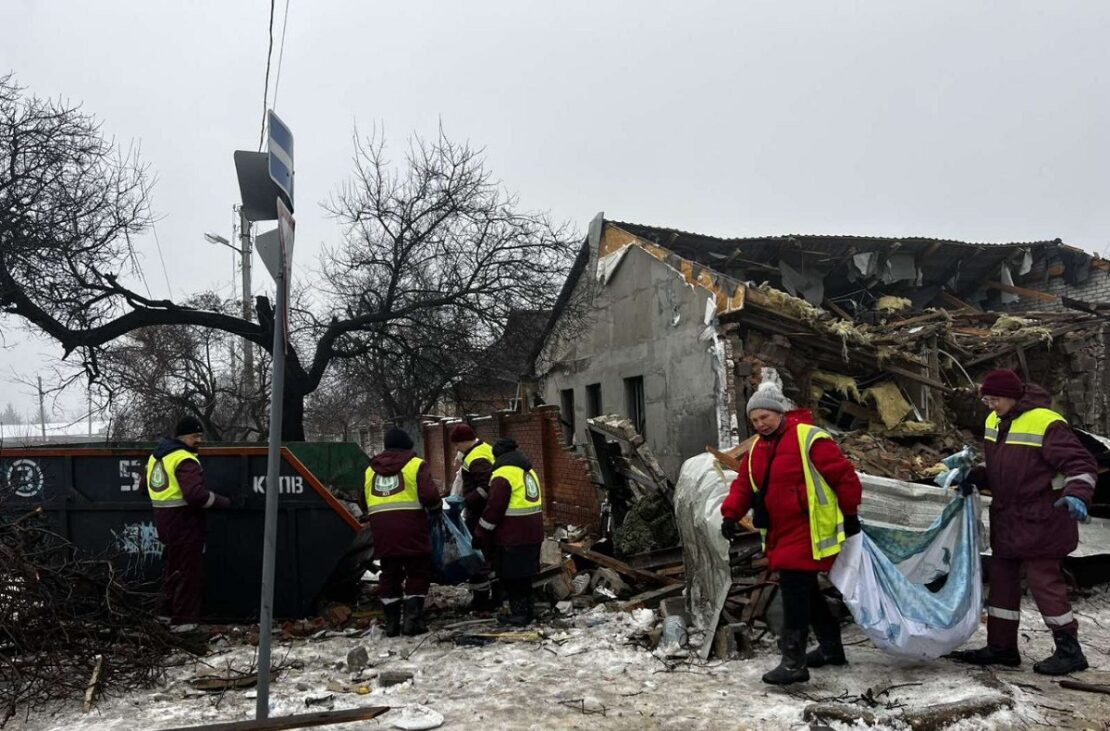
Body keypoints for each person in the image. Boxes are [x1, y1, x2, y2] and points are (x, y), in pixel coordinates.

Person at [950, 369, 1097, 675]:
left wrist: (1078, 494)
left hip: (1043, 519)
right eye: (987, 400)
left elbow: (1080, 463)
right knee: (1002, 584)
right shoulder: (994, 421)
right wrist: (972, 476)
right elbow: (1001, 468)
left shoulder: (1046, 422)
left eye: (996, 399)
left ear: (1013, 397)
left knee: (1045, 584)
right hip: (1008, 519)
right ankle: (1001, 648)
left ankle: (1070, 651)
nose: (991, 406)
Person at [721, 381, 862, 685]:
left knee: (795, 591)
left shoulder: (809, 438)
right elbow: (744, 485)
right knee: (807, 591)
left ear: (779, 413)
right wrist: (730, 514)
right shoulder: (757, 449)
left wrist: (850, 514)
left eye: (765, 417)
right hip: (779, 532)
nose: (760, 424)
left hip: (808, 530)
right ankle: (831, 649)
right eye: (754, 420)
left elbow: (844, 477)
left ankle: (793, 662)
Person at [144, 416, 231, 625]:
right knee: (189, 575)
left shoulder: (156, 457)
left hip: (164, 524)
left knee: (173, 571)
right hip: (185, 524)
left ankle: (163, 617)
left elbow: (143, 487)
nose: (200, 440)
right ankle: (184, 624)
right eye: (196, 436)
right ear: (183, 437)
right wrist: (224, 502)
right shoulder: (185, 459)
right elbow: (195, 495)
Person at [362, 427, 441, 637]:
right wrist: (436, 509)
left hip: (382, 530)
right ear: (408, 445)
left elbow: (363, 500)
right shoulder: (415, 465)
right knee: (417, 571)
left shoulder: (370, 469)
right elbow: (430, 496)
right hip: (411, 527)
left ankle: (391, 624)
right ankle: (412, 622)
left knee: (389, 573)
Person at [474, 438, 544, 626]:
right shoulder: (528, 470)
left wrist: (480, 533)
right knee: (525, 576)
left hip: (513, 535)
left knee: (513, 577)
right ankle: (527, 611)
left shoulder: (503, 474)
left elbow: (494, 509)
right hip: (534, 532)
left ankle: (520, 614)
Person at [449, 423, 499, 611]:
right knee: (490, 556)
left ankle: (481, 600)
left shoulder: (476, 457)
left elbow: (485, 487)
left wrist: (465, 501)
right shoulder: (485, 449)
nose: (456, 449)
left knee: (478, 557)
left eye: (457, 444)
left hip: (479, 514)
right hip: (487, 512)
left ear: (463, 442)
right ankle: (496, 597)